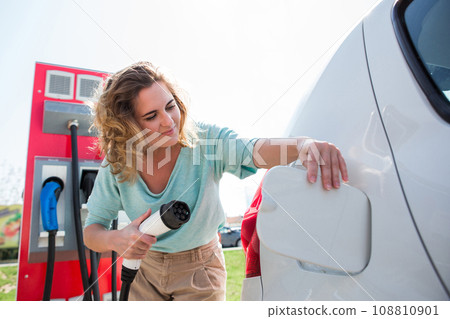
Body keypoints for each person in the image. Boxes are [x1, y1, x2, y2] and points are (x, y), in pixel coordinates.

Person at [83, 61, 348, 301]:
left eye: (170, 106)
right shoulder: (117, 165)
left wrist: (301, 145)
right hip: (144, 272)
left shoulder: (207, 140)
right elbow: (92, 231)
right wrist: (115, 240)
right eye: (151, 116)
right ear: (128, 125)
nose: (168, 122)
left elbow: (251, 150)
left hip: (200, 268)